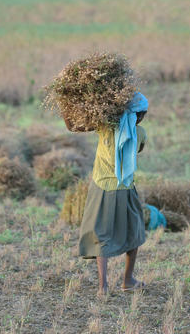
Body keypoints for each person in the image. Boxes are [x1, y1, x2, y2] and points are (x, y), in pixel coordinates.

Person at [65, 92, 148, 296]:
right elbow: (137, 151)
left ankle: (103, 287)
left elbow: (73, 126)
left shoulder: (105, 127)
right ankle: (127, 280)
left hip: (102, 188)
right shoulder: (140, 133)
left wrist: (66, 105)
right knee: (134, 233)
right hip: (126, 189)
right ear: (140, 115)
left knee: (101, 235)